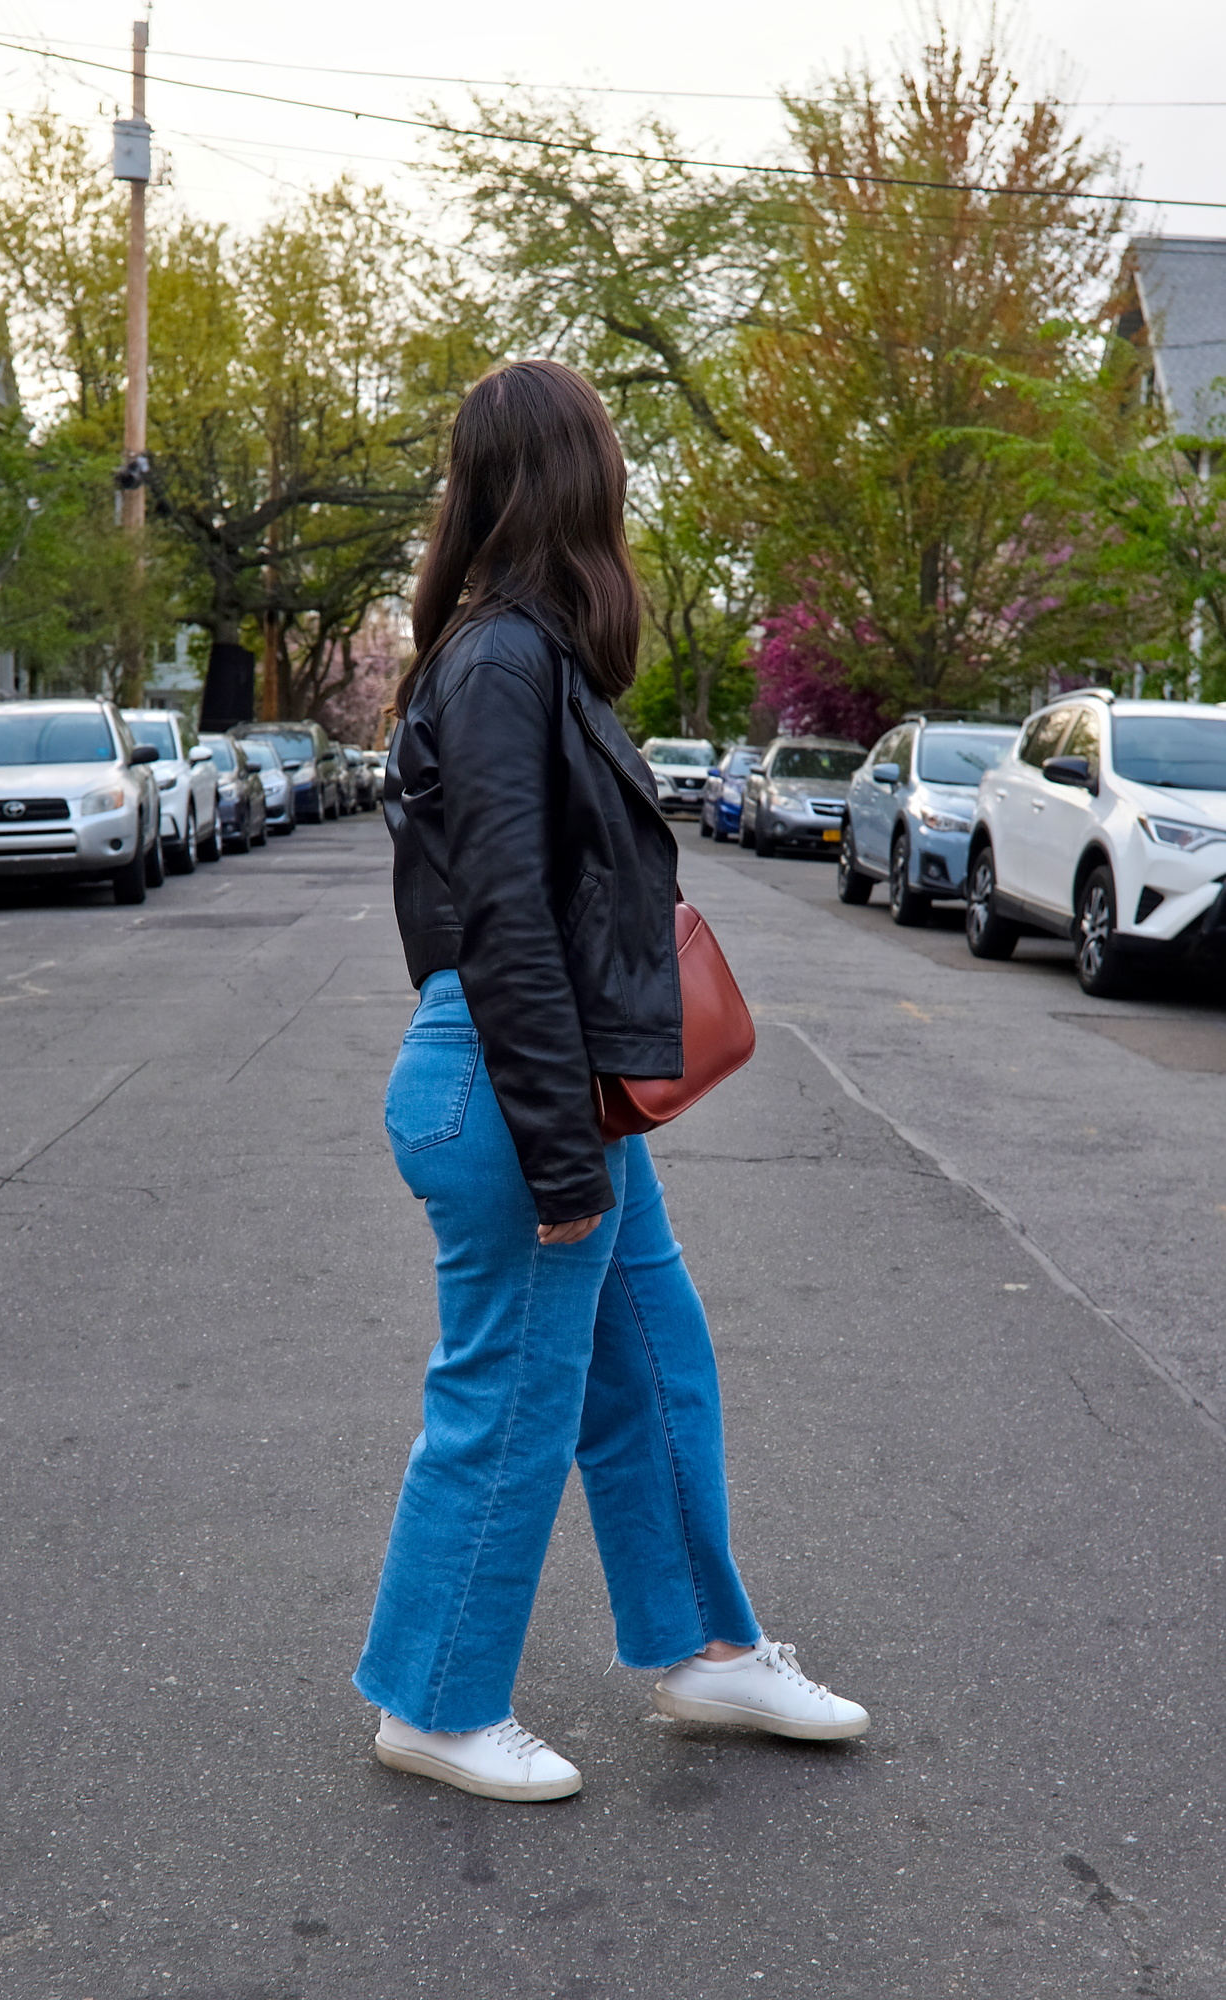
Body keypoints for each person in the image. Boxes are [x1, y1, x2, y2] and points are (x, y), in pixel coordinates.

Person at [354, 358, 868, 1801]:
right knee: (509, 1400)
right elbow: (505, 915)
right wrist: (562, 1158)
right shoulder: (504, 659)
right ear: (572, 477)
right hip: (511, 1092)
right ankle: (436, 1701)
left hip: (545, 1086)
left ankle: (707, 1646)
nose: (625, 478)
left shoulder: (523, 649)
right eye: (609, 456)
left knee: (653, 1365)